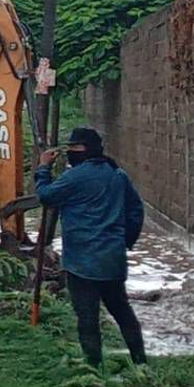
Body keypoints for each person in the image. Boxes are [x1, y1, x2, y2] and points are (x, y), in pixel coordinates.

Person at [36, 127, 146, 368]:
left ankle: (94, 367)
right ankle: (141, 362)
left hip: (81, 262)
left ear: (85, 151)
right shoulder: (117, 174)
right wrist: (125, 241)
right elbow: (136, 211)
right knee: (122, 312)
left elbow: (45, 196)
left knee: (87, 318)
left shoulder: (74, 178)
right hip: (112, 259)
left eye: (74, 149)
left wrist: (43, 168)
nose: (71, 153)